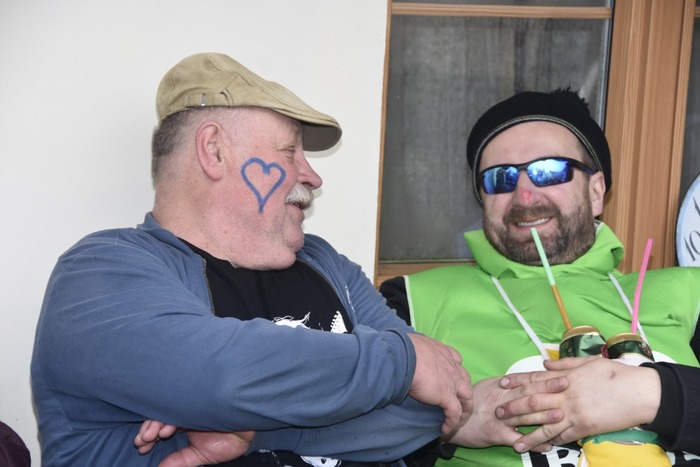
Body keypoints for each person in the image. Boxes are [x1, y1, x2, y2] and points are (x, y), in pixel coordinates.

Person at [30, 52, 477, 467]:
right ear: (214, 150)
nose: (313, 177)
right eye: (290, 151)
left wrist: (249, 428)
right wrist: (402, 363)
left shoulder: (324, 263)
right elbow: (220, 377)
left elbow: (436, 405)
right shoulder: (100, 272)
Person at [380, 88, 700, 466]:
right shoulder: (414, 299)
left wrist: (653, 394)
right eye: (500, 178)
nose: (525, 195)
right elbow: (352, 422)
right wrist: (441, 424)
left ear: (596, 192)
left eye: (549, 170)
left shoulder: (688, 292)